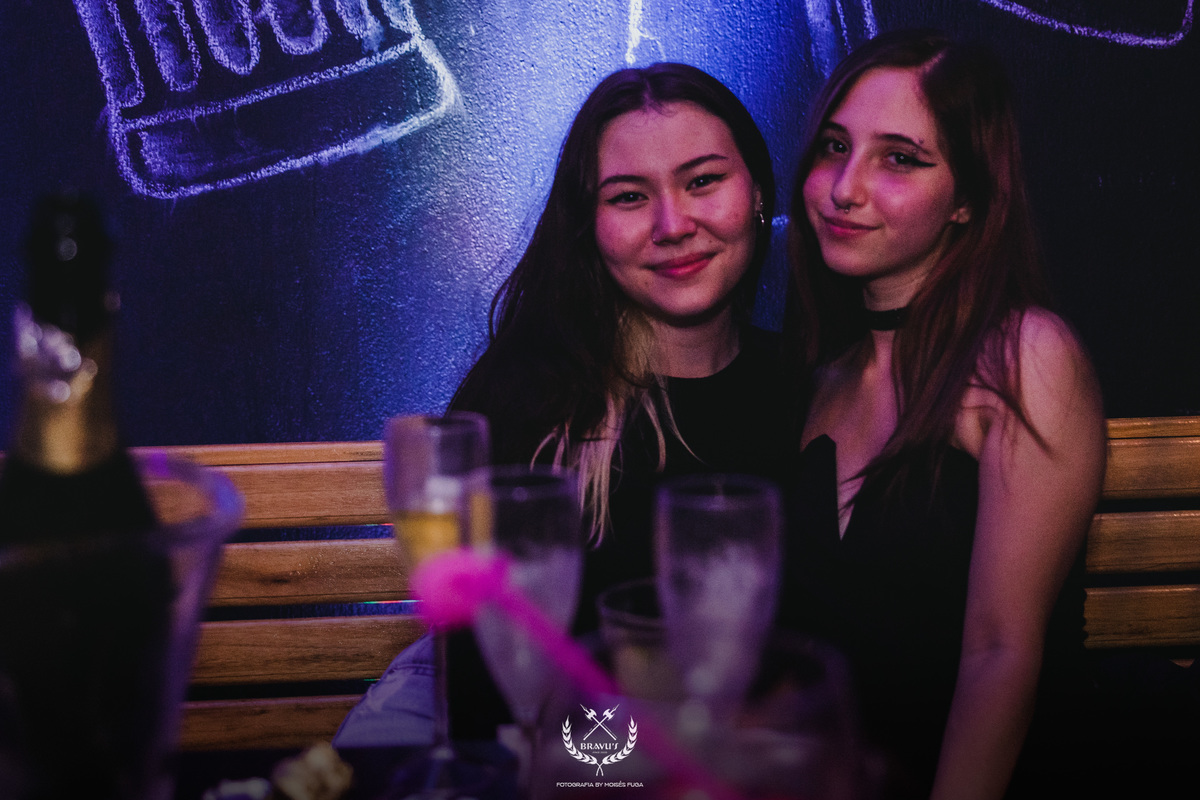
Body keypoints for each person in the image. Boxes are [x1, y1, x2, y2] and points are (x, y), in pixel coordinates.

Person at [334, 62, 792, 747]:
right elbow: (483, 689)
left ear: (756, 192)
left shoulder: (807, 388)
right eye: (629, 197)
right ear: (590, 226)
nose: (672, 224)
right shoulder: (529, 398)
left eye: (703, 181)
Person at [777, 29, 1106, 800]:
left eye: (899, 158)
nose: (844, 188)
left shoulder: (1022, 357)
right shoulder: (820, 379)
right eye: (834, 147)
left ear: (967, 199)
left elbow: (1000, 654)